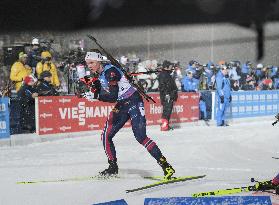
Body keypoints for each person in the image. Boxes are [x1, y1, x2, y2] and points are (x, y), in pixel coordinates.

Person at [78, 51, 175, 179]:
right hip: (122, 104)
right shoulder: (99, 73)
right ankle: (113, 167)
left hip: (133, 101)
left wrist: (95, 96)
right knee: (106, 135)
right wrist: (86, 88)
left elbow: (112, 96)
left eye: (92, 63)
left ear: (99, 61)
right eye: (87, 64)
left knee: (140, 136)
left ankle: (166, 166)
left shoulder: (110, 72)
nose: (89, 66)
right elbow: (96, 86)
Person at [158, 60, 178, 131]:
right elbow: (162, 86)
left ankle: (166, 125)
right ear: (166, 67)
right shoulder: (163, 74)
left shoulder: (167, 74)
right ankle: (164, 126)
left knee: (168, 110)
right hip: (167, 96)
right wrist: (167, 94)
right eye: (170, 67)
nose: (171, 68)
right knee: (167, 111)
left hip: (170, 95)